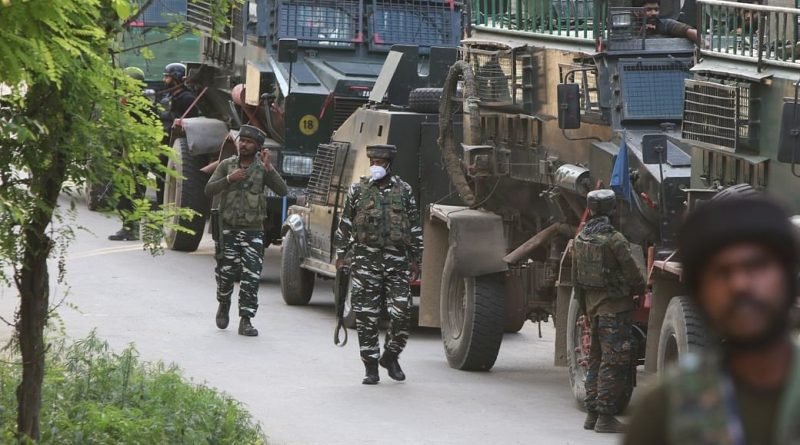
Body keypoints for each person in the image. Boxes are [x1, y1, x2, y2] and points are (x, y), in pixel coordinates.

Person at [624, 196, 800, 445]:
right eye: (722, 272)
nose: (740, 285)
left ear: (788, 278)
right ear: (700, 292)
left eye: (756, 266)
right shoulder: (666, 409)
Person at [334, 144, 422, 385]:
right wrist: (341, 255)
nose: (375, 166)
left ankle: (391, 355)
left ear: (389, 164)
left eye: (380, 162)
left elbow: (414, 225)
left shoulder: (404, 190)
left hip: (397, 263)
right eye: (372, 161)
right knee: (366, 317)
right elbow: (345, 223)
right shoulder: (358, 190)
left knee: (402, 312)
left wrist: (417, 258)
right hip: (365, 262)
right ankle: (371, 367)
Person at [573, 189, 646, 433]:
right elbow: (633, 273)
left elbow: (577, 281)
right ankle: (605, 418)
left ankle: (591, 414)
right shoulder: (614, 239)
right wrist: (639, 288)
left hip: (593, 308)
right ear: (612, 209)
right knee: (612, 363)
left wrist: (586, 309)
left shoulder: (581, 238)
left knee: (595, 360)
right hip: (614, 309)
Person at [205, 125, 288, 337]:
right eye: (242, 140)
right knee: (226, 274)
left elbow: (283, 191)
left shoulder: (262, 169)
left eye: (249, 142)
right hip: (228, 229)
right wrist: (229, 179)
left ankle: (246, 319)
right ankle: (224, 303)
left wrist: (270, 169)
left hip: (253, 231)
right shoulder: (227, 165)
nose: (243, 144)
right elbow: (208, 189)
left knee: (251, 277)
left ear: (258, 147)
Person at [109, 66, 150, 241]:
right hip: (131, 155)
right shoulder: (136, 101)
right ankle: (129, 227)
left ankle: (130, 228)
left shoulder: (137, 104)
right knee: (129, 193)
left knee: (130, 193)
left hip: (134, 156)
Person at [157, 62, 198, 205]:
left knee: (168, 176)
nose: (164, 80)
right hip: (164, 140)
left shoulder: (187, 98)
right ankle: (161, 205)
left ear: (176, 78)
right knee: (160, 174)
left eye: (167, 77)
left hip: (176, 143)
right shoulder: (170, 96)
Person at [635, 0, 699, 42]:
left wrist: (703, 46)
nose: (654, 13)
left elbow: (690, 32)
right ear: (636, 12)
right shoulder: (630, 27)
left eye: (656, 10)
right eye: (648, 10)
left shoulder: (665, 24)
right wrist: (640, 35)